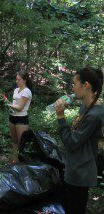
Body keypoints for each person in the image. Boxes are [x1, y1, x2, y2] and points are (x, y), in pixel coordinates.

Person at [54, 67, 104, 214]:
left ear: (86, 85)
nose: (73, 88)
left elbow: (71, 143)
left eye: (75, 83)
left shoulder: (95, 115)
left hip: (80, 173)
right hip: (73, 168)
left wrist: (61, 116)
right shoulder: (86, 106)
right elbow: (76, 132)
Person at [7, 71, 33, 162]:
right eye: (16, 79)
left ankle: (22, 164)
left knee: (21, 143)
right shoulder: (16, 90)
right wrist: (7, 103)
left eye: (19, 79)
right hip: (12, 117)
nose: (17, 81)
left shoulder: (27, 91)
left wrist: (8, 105)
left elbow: (20, 108)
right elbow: (14, 104)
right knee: (14, 141)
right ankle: (14, 161)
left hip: (21, 119)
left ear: (25, 80)